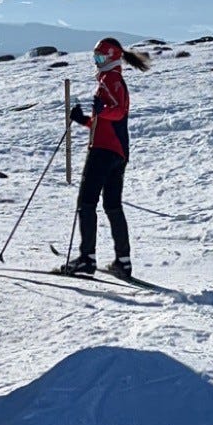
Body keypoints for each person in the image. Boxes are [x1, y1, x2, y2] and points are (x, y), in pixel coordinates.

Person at [64, 37, 150, 278]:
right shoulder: (110, 79)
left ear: (111, 58)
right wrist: (84, 120)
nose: (96, 61)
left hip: (102, 150)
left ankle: (86, 259)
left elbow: (117, 112)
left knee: (86, 202)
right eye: (95, 57)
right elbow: (107, 120)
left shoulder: (111, 79)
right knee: (112, 205)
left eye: (100, 57)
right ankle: (123, 261)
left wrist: (101, 111)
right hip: (118, 151)